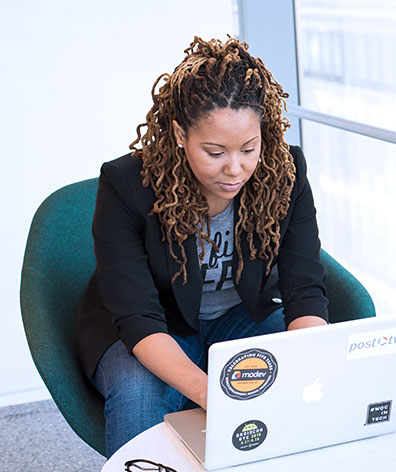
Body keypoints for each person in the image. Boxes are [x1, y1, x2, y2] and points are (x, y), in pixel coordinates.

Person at [75, 36, 328, 456]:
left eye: (249, 148)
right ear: (179, 133)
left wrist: (316, 362)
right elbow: (137, 316)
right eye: (215, 152)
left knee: (307, 383)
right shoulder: (126, 185)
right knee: (140, 395)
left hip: (240, 317)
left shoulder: (286, 172)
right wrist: (215, 393)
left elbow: (304, 288)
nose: (236, 168)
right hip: (155, 326)